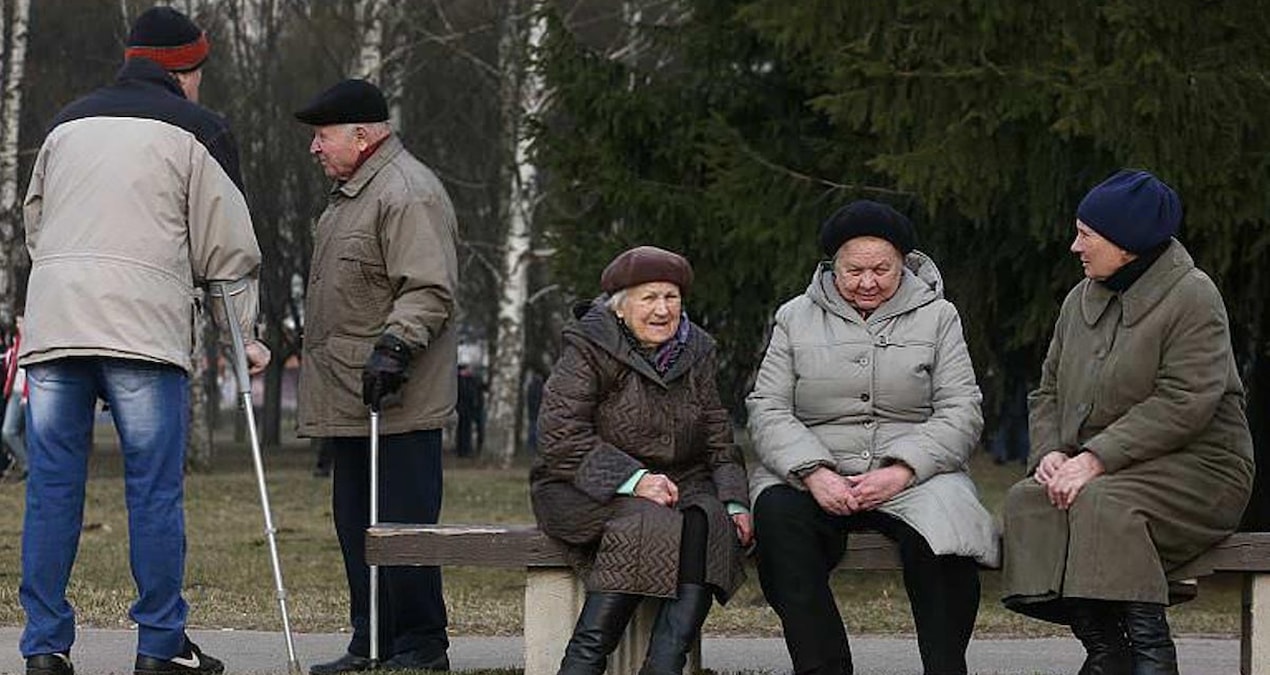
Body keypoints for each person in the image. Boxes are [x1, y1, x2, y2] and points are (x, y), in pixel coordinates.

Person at [18, 7, 269, 675]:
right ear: (183, 71)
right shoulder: (201, 130)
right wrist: (244, 337)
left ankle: (44, 644)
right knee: (153, 490)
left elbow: (36, 222)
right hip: (143, 332)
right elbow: (228, 251)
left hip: (56, 326)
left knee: (51, 487)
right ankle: (160, 645)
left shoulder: (66, 122)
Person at [1000, 170, 1254, 675]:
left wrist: (1095, 458)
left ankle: (1152, 657)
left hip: (1202, 469)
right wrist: (1050, 452)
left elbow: (1185, 401)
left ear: (1129, 242)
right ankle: (1106, 650)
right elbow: (1048, 389)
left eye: (1087, 235)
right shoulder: (1079, 300)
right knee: (1029, 499)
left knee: (1103, 503)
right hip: (1110, 470)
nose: (1075, 246)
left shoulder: (1193, 296)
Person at [747, 200, 998, 675]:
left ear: (904, 264)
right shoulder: (794, 317)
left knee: (946, 536)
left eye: (882, 269)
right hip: (816, 470)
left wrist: (902, 469)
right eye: (854, 270)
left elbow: (962, 409)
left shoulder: (939, 316)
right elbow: (768, 408)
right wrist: (814, 471)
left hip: (917, 472)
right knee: (779, 520)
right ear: (831, 268)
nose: (868, 282)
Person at [294, 79, 458, 674]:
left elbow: (429, 288)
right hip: (350, 398)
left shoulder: (406, 192)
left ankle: (421, 644)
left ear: (362, 135)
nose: (315, 148)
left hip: (398, 398)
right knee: (357, 527)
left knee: (404, 528)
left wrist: (395, 347)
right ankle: (372, 641)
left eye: (322, 135)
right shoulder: (352, 196)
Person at [530, 245, 752, 675]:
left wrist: (735, 499)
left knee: (709, 520)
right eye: (648, 298)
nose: (662, 310)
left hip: (678, 481)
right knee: (647, 520)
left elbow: (717, 435)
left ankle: (664, 665)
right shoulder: (588, 348)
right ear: (619, 307)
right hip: (580, 484)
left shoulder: (698, 351)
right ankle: (581, 665)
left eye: (671, 297)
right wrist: (633, 479)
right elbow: (560, 437)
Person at [2, 315, 29, 481]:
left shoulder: (31, 343)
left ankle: (28, 466)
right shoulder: (17, 341)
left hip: (26, 394)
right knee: (9, 432)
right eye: (17, 321)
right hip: (14, 392)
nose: (19, 325)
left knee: (11, 432)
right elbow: (12, 367)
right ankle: (27, 465)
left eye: (22, 321)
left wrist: (27, 395)